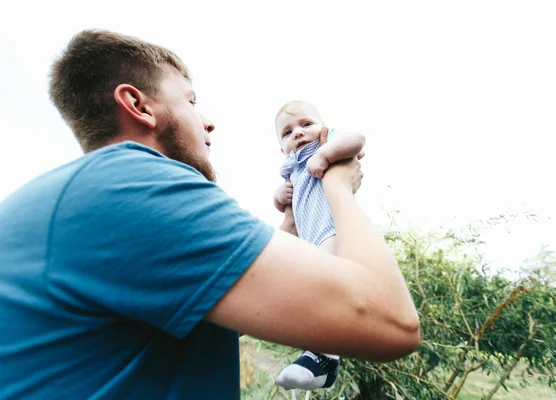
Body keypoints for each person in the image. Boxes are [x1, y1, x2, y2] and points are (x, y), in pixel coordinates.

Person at [0, 30, 420, 399]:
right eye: (191, 101)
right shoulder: (138, 184)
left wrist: (292, 223)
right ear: (139, 106)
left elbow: (245, 300)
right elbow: (390, 322)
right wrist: (338, 187)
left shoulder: (80, 202)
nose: (208, 122)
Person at [273, 100, 366, 390]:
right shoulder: (290, 166)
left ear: (322, 127)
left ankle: (325, 357)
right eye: (287, 132)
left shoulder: (326, 144)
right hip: (308, 240)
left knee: (326, 289)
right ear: (281, 147)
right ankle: (319, 358)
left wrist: (325, 156)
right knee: (307, 294)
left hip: (332, 228)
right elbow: (282, 207)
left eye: (306, 124)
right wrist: (279, 196)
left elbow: (358, 142)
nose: (298, 133)